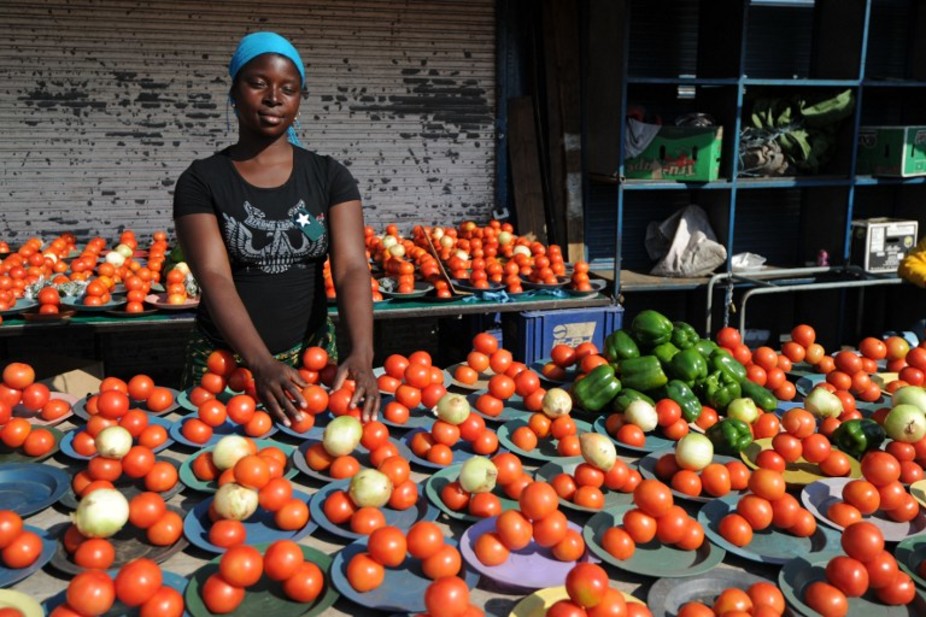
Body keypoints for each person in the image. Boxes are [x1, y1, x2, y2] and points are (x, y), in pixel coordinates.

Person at [173, 31, 379, 423]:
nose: (273, 97)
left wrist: (363, 352)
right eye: (258, 83)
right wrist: (260, 363)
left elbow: (351, 267)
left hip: (313, 362)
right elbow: (214, 276)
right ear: (234, 92)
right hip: (227, 367)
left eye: (288, 88)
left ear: (299, 101)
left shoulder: (328, 177)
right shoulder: (202, 181)